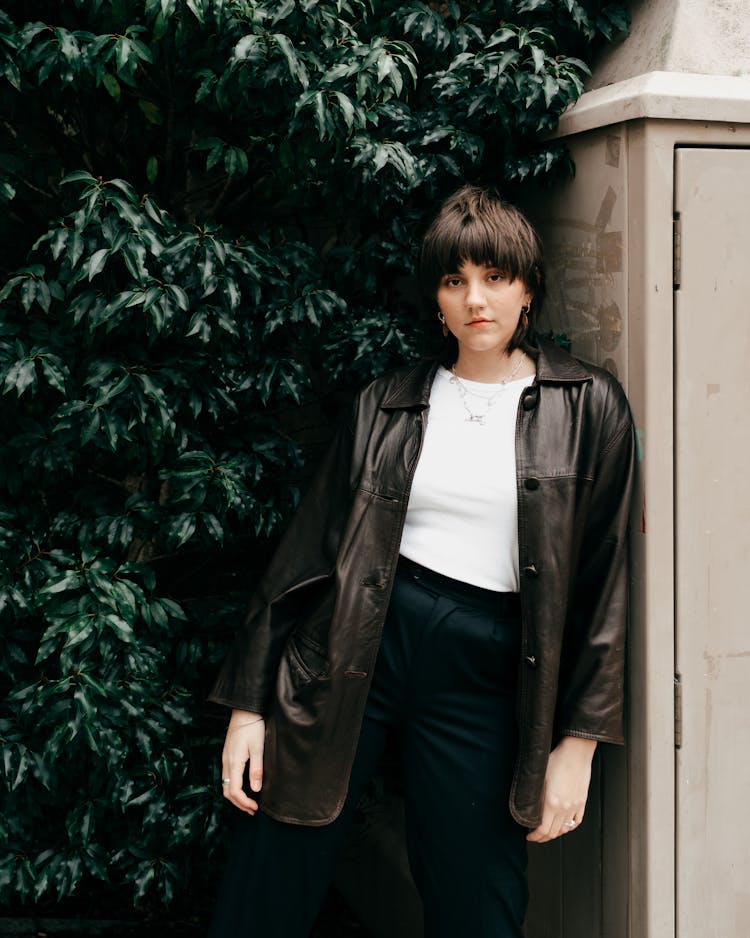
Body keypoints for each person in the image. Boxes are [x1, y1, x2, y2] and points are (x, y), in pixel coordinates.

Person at [207, 185, 634, 938]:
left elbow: (606, 588)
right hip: (358, 642)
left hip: (490, 665)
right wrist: (249, 707)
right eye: (454, 280)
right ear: (435, 298)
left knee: (478, 902)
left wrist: (579, 746)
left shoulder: (589, 405)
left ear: (528, 288)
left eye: (495, 278)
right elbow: (304, 555)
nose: (476, 299)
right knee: (271, 877)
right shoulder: (388, 402)